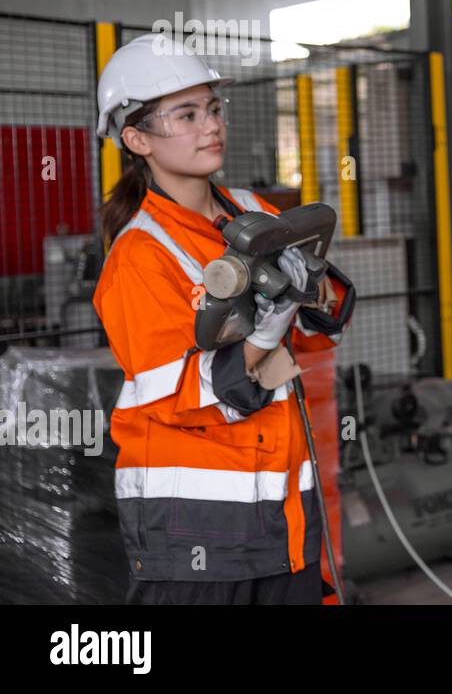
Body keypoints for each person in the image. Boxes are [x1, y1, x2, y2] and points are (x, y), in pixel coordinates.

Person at [91, 33, 354, 604]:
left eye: (212, 108)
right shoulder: (141, 255)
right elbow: (186, 396)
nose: (210, 125)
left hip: (284, 518)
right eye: (186, 114)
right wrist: (267, 328)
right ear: (137, 139)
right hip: (194, 534)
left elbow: (313, 337)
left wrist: (312, 298)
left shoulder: (256, 211)